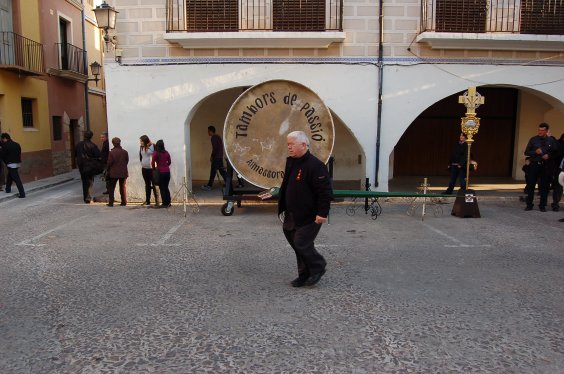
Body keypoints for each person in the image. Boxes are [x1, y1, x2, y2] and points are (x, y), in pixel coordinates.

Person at [278, 131, 333, 288]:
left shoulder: (316, 166)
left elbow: (325, 192)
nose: (289, 147)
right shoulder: (292, 162)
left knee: (301, 242)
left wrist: (322, 213)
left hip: (309, 215)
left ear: (303, 145)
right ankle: (304, 274)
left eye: (292, 144)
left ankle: (318, 266)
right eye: (288, 144)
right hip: (292, 214)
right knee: (296, 244)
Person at [524, 123, 559, 212]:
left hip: (546, 166)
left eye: (542, 130)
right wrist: (535, 152)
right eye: (539, 130)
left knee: (544, 186)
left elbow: (556, 153)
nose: (540, 132)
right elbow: (526, 152)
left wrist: (549, 156)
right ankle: (529, 205)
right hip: (534, 164)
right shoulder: (533, 139)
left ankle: (542, 205)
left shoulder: (551, 140)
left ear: (546, 131)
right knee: (531, 185)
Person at [75, 130, 101, 204]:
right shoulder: (92, 145)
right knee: (89, 181)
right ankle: (88, 197)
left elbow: (75, 154)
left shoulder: (78, 144)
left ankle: (86, 197)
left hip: (81, 165)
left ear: (84, 136)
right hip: (90, 165)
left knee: (84, 181)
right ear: (91, 137)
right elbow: (98, 155)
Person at [201, 125, 228, 191]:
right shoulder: (218, 137)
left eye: (208, 131)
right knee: (222, 171)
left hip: (216, 158)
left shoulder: (213, 137)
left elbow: (215, 148)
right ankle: (228, 184)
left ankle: (209, 186)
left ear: (211, 131)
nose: (208, 133)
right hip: (220, 157)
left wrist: (212, 156)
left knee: (213, 172)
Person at [0, 133, 25, 198]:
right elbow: (19, 153)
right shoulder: (17, 144)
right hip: (18, 163)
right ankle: (8, 189)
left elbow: (2, 155)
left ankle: (22, 194)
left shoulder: (5, 145)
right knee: (10, 176)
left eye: (3, 139)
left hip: (11, 164)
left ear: (5, 138)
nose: (2, 140)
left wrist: (6, 162)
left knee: (17, 179)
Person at [106, 137, 129, 207]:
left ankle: (111, 202)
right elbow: (126, 161)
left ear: (113, 143)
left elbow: (109, 163)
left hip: (114, 172)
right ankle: (124, 201)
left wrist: (108, 169)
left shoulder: (112, 152)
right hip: (123, 172)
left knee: (111, 187)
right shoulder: (125, 152)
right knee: (122, 187)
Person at [139, 135, 159, 206]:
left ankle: (157, 201)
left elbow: (156, 154)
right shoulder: (141, 147)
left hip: (152, 168)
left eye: (141, 141)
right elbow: (141, 156)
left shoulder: (153, 146)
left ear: (145, 141)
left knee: (154, 184)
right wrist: (142, 163)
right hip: (144, 168)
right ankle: (147, 200)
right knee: (147, 185)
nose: (140, 142)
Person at [152, 139, 172, 208]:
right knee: (166, 187)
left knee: (162, 188)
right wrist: (165, 166)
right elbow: (169, 162)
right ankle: (169, 202)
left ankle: (164, 203)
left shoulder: (155, 153)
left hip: (160, 172)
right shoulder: (166, 153)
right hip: (167, 172)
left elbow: (152, 162)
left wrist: (154, 169)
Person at [549, 133, 564, 211]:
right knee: (558, 187)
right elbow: (554, 157)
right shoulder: (558, 145)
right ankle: (555, 204)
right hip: (560, 169)